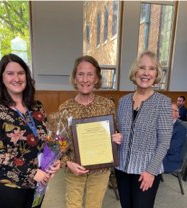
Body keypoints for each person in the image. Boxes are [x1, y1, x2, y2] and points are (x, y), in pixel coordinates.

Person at [0, 54, 60, 208]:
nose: (16, 78)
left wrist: (55, 160)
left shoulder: (37, 106)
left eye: (20, 73)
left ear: (27, 76)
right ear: (2, 78)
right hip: (9, 183)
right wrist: (32, 172)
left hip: (38, 181)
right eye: (10, 73)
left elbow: (46, 139)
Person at [59, 56, 122, 208]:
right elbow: (59, 143)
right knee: (73, 205)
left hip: (100, 168)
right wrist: (67, 163)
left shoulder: (107, 105)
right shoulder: (65, 108)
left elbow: (115, 131)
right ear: (75, 78)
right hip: (74, 166)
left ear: (96, 79)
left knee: (94, 205)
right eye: (81, 74)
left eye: (90, 74)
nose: (85, 79)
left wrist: (117, 137)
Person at [116, 50, 172, 208]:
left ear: (156, 74)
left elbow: (164, 142)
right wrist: (115, 136)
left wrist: (151, 171)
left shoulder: (163, 102)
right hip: (121, 169)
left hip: (145, 171)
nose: (146, 73)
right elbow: (119, 132)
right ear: (135, 72)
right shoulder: (123, 101)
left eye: (151, 68)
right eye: (142, 67)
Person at [163, 103, 187, 173]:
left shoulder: (181, 129)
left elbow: (171, 150)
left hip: (169, 159)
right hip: (159, 153)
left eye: (172, 110)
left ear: (177, 113)